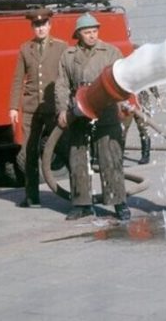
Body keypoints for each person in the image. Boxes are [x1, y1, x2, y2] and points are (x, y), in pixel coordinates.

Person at [55, 13, 130, 221]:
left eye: (94, 31)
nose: (91, 35)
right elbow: (61, 85)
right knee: (77, 157)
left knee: (110, 158)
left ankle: (119, 203)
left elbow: (123, 79)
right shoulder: (68, 56)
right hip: (79, 112)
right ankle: (82, 204)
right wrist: (62, 110)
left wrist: (125, 103)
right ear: (78, 34)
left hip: (106, 113)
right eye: (87, 32)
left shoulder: (111, 52)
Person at [9, 8, 67, 208]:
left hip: (53, 108)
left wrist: (67, 105)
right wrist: (13, 107)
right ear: (32, 27)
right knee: (29, 152)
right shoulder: (26, 49)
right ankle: (32, 196)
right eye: (36, 25)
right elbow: (18, 79)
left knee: (64, 148)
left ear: (50, 26)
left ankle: (79, 195)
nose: (40, 28)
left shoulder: (61, 47)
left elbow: (66, 78)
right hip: (31, 109)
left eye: (43, 24)